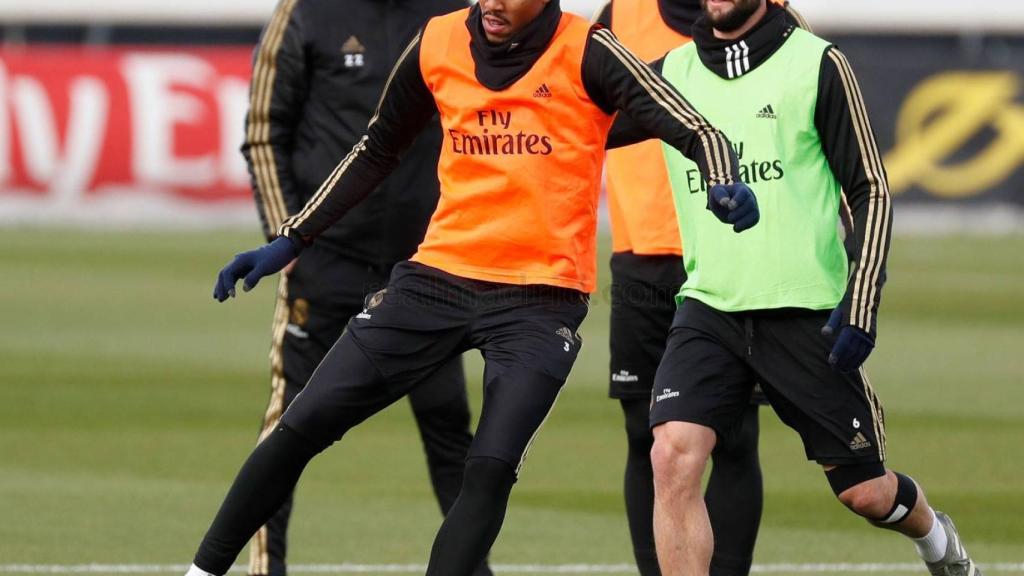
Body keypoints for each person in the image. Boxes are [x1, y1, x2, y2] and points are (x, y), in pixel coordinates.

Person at [184, 1, 758, 574]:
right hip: (436, 280)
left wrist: (723, 177)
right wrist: (292, 238)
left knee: (486, 469)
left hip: (541, 299)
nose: (491, 3)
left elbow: (696, 127)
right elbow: (377, 146)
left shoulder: (589, 50)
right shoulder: (438, 41)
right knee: (299, 428)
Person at [610, 1, 981, 574]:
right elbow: (575, 123)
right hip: (710, 306)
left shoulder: (818, 64)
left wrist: (862, 298)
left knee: (866, 494)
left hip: (806, 313)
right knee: (671, 456)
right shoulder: (671, 75)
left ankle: (934, 535)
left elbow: (871, 190)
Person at [237, 1, 488, 576]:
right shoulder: (305, 11)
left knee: (450, 427)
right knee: (290, 428)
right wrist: (290, 240)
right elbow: (262, 132)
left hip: (427, 266)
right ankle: (264, 568)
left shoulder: (455, 14)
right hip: (327, 261)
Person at [594, 1, 807, 574]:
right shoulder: (620, 12)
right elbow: (585, 110)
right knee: (647, 439)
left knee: (734, 439)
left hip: (734, 256)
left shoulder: (770, 15)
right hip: (641, 255)